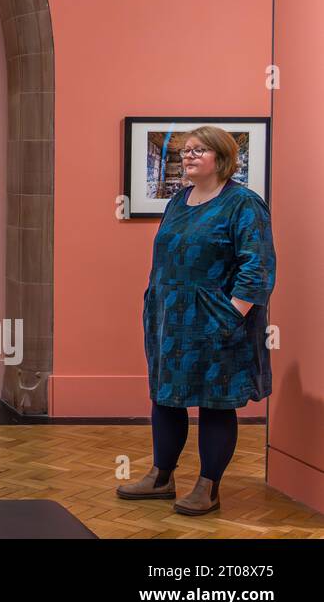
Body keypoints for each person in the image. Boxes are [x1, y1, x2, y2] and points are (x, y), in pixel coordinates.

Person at [115, 126, 275, 516]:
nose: (189, 156)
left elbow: (258, 268)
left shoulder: (243, 204)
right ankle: (161, 476)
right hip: (169, 318)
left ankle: (208, 487)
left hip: (216, 319)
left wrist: (229, 315)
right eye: (186, 150)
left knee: (215, 402)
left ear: (222, 158)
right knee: (165, 396)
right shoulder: (179, 200)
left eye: (199, 150)